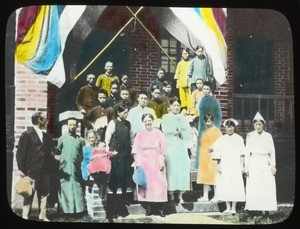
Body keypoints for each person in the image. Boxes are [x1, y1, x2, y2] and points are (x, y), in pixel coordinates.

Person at [16, 112, 60, 221]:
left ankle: (42, 215)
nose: (47, 121)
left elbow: (51, 151)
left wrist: (56, 156)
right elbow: (20, 152)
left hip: (45, 170)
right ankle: (25, 216)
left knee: (44, 194)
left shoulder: (46, 136)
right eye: (45, 119)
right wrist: (21, 169)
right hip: (32, 170)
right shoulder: (27, 134)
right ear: (39, 120)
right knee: (28, 194)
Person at [131, 113, 168, 217]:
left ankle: (161, 209)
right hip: (144, 162)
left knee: (158, 184)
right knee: (146, 185)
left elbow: (163, 149)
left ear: (153, 120)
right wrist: (137, 162)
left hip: (156, 161)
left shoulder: (159, 133)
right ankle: (149, 208)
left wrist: (162, 160)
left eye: (149, 120)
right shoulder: (140, 134)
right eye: (145, 121)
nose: (148, 123)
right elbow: (135, 150)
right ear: (143, 122)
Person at [244, 112, 277, 215]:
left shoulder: (268, 136)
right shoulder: (250, 135)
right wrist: (247, 166)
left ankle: (266, 209)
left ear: (263, 125)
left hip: (264, 162)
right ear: (253, 125)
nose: (258, 126)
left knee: (265, 185)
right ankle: (255, 209)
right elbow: (247, 152)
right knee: (254, 185)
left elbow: (272, 152)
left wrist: (273, 165)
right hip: (254, 162)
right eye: (256, 124)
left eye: (260, 124)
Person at [161, 97, 192, 204]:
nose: (176, 107)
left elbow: (188, 132)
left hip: (181, 146)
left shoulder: (183, 117)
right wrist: (176, 131)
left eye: (178, 105)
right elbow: (165, 130)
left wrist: (181, 132)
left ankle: (180, 195)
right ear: (170, 107)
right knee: (172, 170)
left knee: (181, 170)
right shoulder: (165, 117)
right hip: (170, 146)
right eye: (174, 105)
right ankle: (171, 195)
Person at [105, 104, 134, 219]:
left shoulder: (128, 124)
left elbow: (131, 139)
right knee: (114, 183)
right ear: (119, 113)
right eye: (124, 113)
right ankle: (112, 212)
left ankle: (122, 209)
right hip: (115, 156)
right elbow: (107, 139)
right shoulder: (113, 123)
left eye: (127, 113)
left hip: (125, 156)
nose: (125, 115)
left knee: (123, 183)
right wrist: (109, 153)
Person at [211, 118, 246, 214]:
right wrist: (219, 165)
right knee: (225, 184)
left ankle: (233, 207)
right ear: (225, 127)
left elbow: (242, 154)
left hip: (235, 164)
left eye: (231, 127)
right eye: (227, 127)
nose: (229, 129)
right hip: (225, 164)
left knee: (235, 184)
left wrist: (242, 165)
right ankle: (227, 207)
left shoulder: (239, 139)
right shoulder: (221, 139)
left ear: (234, 127)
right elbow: (217, 152)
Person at [57, 117, 86, 215]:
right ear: (67, 126)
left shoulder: (80, 140)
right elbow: (57, 151)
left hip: (76, 168)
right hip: (65, 169)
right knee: (66, 188)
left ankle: (78, 210)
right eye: (70, 125)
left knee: (77, 188)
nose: (72, 127)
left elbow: (83, 153)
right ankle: (66, 211)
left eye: (74, 125)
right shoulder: (62, 138)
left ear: (77, 126)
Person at [195, 81, 222, 169]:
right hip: (202, 126)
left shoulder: (214, 102)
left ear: (210, 90)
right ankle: (200, 165)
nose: (205, 91)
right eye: (204, 89)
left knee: (210, 145)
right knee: (202, 144)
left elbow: (218, 115)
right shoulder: (201, 99)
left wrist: (215, 127)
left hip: (210, 126)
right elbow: (199, 112)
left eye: (207, 89)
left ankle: (210, 166)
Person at [196, 114, 222, 202]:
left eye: (210, 121)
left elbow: (220, 144)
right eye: (206, 121)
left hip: (213, 157)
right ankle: (205, 196)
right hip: (204, 157)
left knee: (214, 176)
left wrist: (213, 148)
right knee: (205, 177)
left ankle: (217, 195)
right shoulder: (203, 131)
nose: (208, 123)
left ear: (213, 121)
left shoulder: (217, 131)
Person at [174, 47, 192, 113]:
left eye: (186, 53)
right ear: (181, 54)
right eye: (183, 53)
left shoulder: (191, 63)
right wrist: (177, 82)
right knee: (182, 97)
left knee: (189, 96)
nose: (185, 55)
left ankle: (189, 109)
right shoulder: (180, 63)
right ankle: (184, 108)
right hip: (181, 83)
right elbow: (177, 74)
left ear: (189, 54)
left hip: (188, 83)